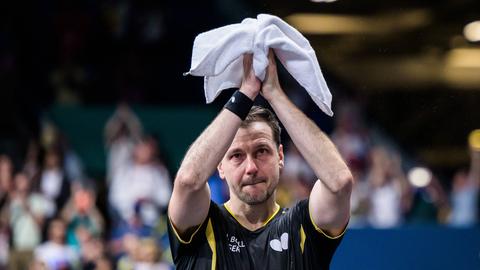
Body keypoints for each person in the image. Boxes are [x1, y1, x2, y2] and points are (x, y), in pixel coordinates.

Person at [167, 51, 353, 269]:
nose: (251, 168)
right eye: (236, 155)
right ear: (219, 165)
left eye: (262, 151)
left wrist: (275, 95)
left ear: (280, 156)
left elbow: (339, 183)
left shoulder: (302, 225)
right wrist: (245, 93)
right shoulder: (202, 224)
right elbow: (188, 180)